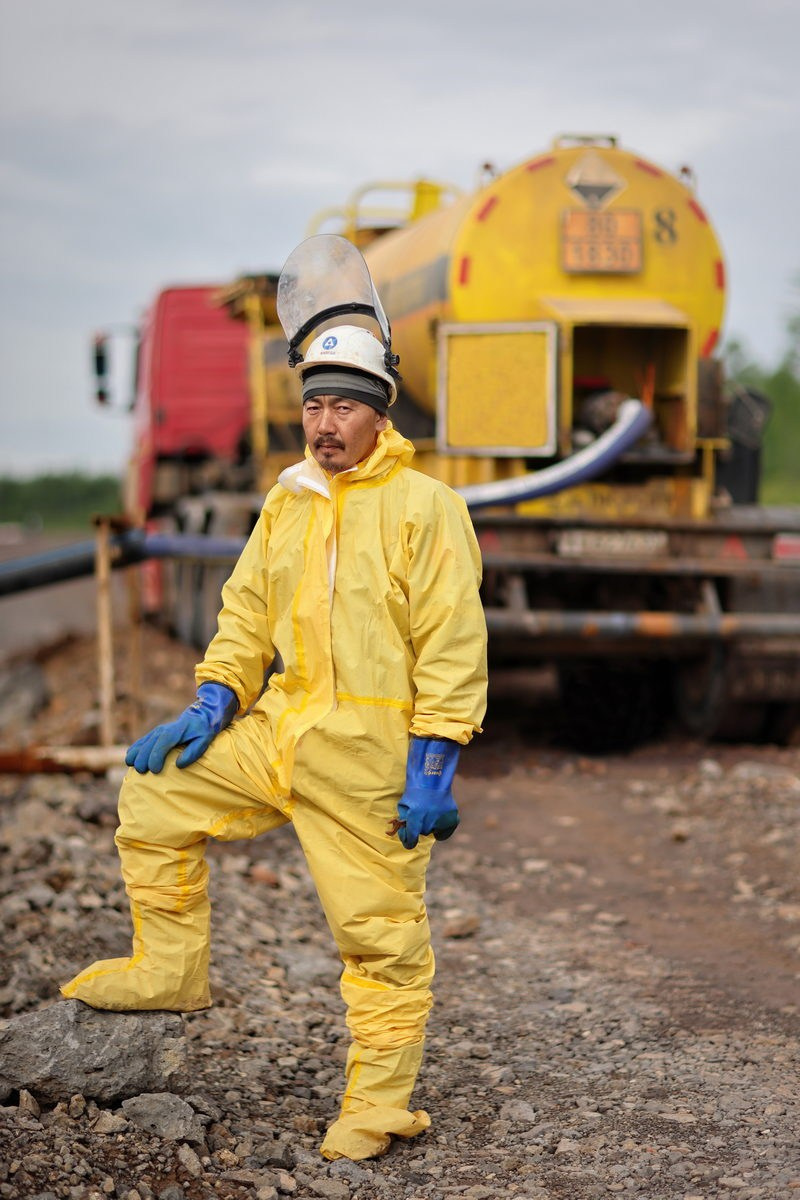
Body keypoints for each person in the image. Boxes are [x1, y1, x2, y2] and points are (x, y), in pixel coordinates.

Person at [61, 323, 488, 1162]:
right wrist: (215, 700)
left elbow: (452, 644)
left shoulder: (425, 508)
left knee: (381, 934)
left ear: (380, 416)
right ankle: (170, 967)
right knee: (155, 792)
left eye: (344, 407)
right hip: (281, 731)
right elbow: (248, 608)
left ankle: (378, 1106)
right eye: (314, 405)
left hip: (368, 754)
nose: (325, 423)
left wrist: (433, 766)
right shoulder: (289, 498)